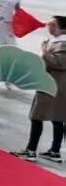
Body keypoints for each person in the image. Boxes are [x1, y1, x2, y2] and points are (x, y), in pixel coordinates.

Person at [29, 18, 66, 160]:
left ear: (63, 29)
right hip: (55, 84)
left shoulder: (63, 44)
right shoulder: (56, 42)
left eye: (53, 24)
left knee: (36, 116)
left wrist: (44, 52)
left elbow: (60, 63)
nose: (49, 26)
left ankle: (31, 150)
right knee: (57, 118)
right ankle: (54, 151)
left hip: (52, 85)